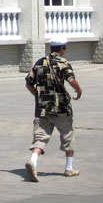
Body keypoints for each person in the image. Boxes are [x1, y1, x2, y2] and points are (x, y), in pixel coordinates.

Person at [24, 37, 82, 181]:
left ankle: (33, 161)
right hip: (61, 108)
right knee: (68, 135)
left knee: (40, 137)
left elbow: (28, 83)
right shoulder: (63, 63)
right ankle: (69, 168)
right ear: (62, 49)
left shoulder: (39, 63)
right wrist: (79, 91)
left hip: (42, 108)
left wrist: (38, 96)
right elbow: (71, 80)